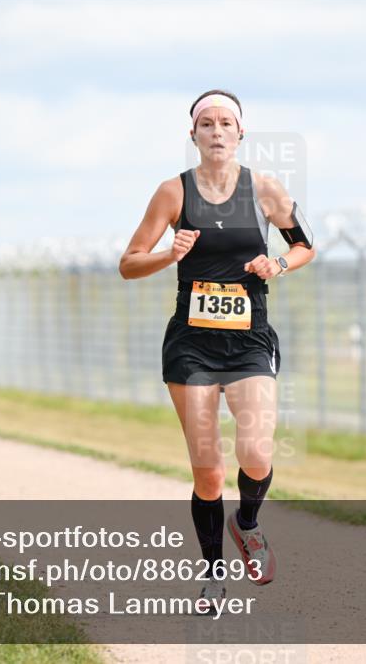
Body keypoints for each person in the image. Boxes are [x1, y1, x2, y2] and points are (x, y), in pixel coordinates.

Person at [119, 89, 315, 612]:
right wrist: (169, 254)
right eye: (207, 124)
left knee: (255, 451)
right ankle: (212, 575)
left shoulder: (265, 189)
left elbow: (304, 244)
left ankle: (247, 523)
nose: (217, 131)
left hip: (250, 339)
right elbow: (129, 262)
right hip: (192, 343)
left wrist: (277, 265)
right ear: (194, 136)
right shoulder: (173, 192)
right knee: (207, 470)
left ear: (241, 133)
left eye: (227, 122)